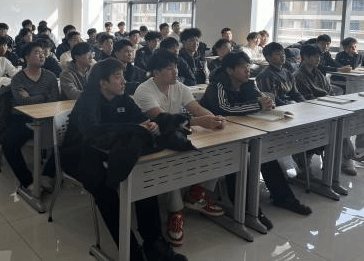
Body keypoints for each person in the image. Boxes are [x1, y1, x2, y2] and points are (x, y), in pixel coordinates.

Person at [60, 58, 188, 261]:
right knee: (105, 191)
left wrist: (150, 125)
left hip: (110, 152)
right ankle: (131, 252)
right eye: (118, 77)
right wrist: (133, 128)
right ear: (103, 82)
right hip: (80, 155)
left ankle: (154, 245)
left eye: (123, 76)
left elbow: (140, 119)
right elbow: (92, 132)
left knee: (144, 180)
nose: (123, 81)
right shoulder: (88, 101)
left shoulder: (123, 98)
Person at [200, 52, 311, 226]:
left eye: (248, 66)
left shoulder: (248, 84)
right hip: (216, 138)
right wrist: (257, 105)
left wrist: (267, 102)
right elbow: (224, 108)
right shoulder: (217, 85)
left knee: (265, 155)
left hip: (242, 132)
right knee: (240, 159)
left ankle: (284, 198)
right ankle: (248, 210)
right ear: (230, 70)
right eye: (242, 67)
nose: (248, 70)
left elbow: (261, 101)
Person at [134, 50, 226, 247]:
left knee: (220, 149)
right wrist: (201, 121)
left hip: (177, 136)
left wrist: (215, 118)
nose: (175, 71)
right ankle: (175, 212)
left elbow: (197, 109)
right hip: (154, 142)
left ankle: (196, 194)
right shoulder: (144, 91)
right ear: (156, 72)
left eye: (175, 67)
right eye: (170, 68)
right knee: (173, 161)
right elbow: (163, 119)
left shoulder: (179, 86)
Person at [2, 42, 60, 191]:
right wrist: (43, 96)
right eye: (37, 52)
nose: (42, 55)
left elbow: (54, 99)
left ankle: (47, 175)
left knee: (68, 137)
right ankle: (28, 182)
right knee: (8, 144)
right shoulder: (18, 78)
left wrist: (33, 97)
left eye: (43, 52)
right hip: (23, 117)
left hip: (47, 117)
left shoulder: (51, 76)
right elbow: (23, 102)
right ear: (27, 58)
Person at [294, 44, 356, 175]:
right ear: (305, 57)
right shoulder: (298, 75)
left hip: (325, 109)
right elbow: (307, 99)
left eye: (319, 56)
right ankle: (305, 160)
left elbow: (329, 91)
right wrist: (327, 101)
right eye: (315, 56)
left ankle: (344, 159)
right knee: (335, 128)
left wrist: (331, 101)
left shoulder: (318, 73)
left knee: (341, 126)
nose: (318, 59)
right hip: (309, 113)